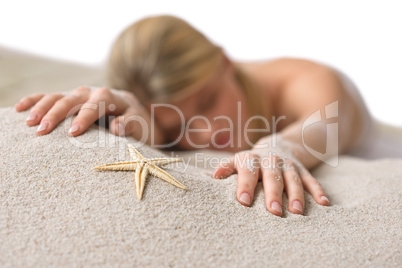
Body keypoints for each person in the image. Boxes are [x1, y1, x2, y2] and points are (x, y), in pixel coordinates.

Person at [14, 15, 372, 217]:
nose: (204, 134)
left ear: (226, 61)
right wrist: (144, 130)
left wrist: (279, 147)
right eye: (177, 125)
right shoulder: (164, 120)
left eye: (207, 101)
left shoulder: (304, 80)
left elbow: (329, 122)